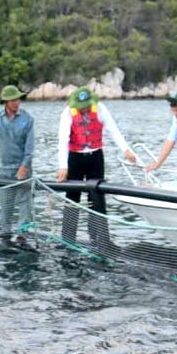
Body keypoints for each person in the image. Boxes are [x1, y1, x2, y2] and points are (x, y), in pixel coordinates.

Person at [55, 87, 137, 250]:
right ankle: (68, 238)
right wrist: (63, 166)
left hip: (95, 157)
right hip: (75, 158)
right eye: (81, 105)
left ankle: (100, 238)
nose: (84, 108)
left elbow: (113, 129)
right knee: (72, 197)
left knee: (97, 197)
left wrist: (126, 149)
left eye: (86, 105)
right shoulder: (67, 113)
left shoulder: (100, 108)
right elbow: (62, 140)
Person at [0, 85, 35, 233]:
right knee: (6, 207)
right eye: (13, 100)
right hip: (4, 169)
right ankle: (5, 233)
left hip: (23, 168)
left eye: (18, 99)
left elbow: (30, 148)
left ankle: (23, 234)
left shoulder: (28, 119)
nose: (17, 102)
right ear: (6, 102)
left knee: (25, 204)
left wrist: (25, 166)